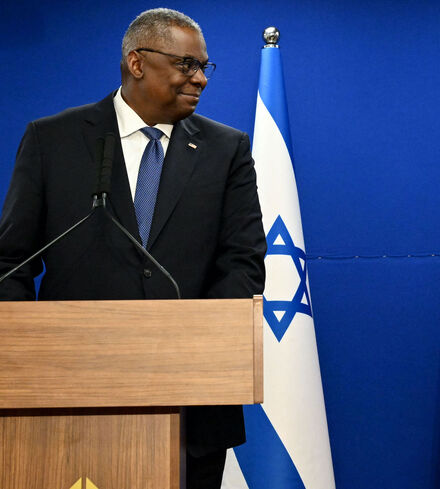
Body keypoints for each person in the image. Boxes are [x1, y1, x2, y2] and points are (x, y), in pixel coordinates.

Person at [0, 8, 266, 489]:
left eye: (205, 67)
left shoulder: (227, 150)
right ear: (137, 62)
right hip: (65, 399)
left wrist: (193, 348)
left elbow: (242, 262)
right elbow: (9, 264)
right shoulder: (53, 140)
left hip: (193, 406)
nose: (200, 79)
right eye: (187, 64)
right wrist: (27, 358)